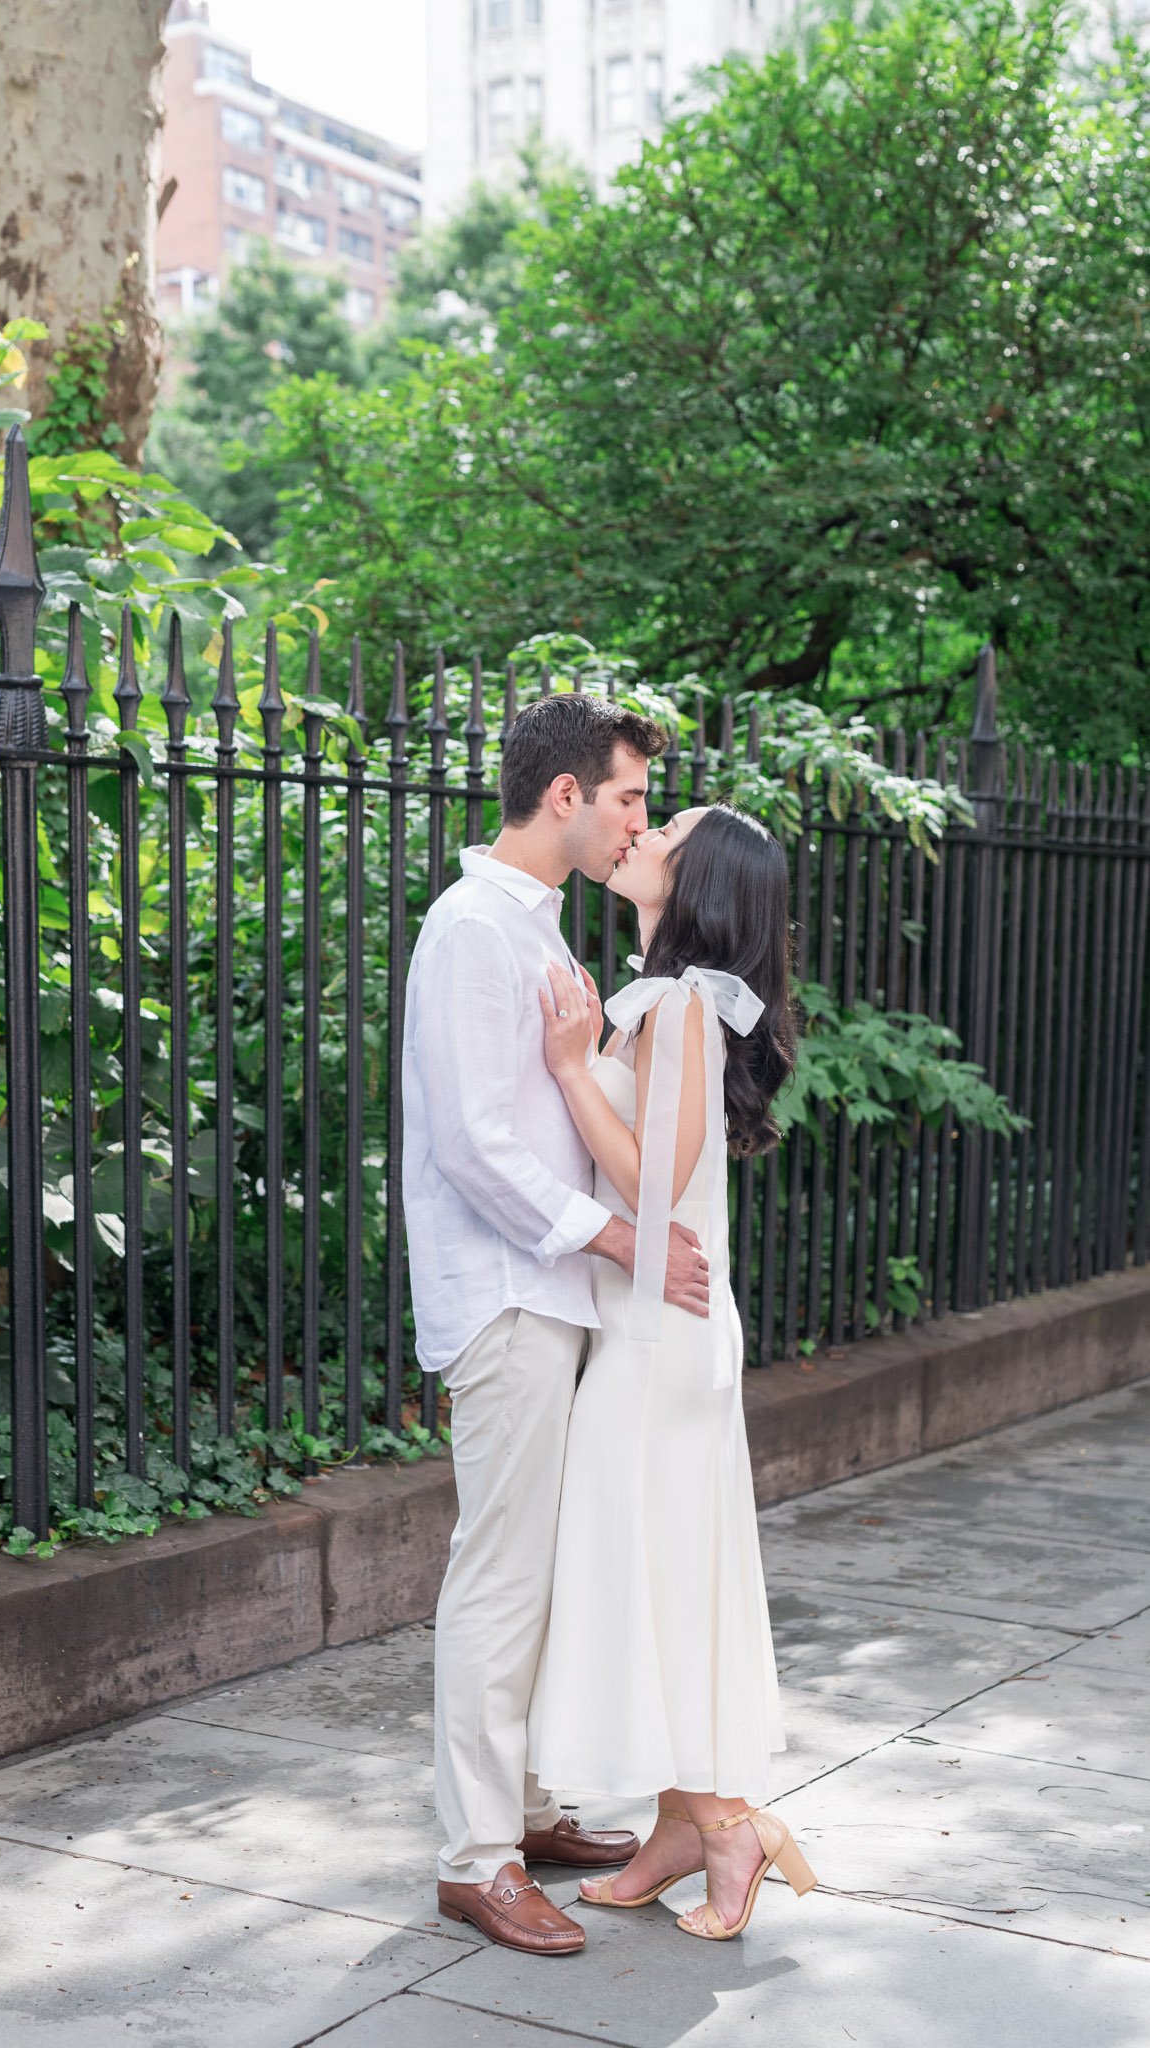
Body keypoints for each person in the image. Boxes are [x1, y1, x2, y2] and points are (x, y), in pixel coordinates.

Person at [402, 694, 715, 1958]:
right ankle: (475, 1860)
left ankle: (523, 1810)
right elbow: (474, 1142)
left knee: (539, 1569)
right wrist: (621, 1238)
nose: (640, 817)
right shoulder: (473, 927)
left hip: (556, 1294)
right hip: (508, 1295)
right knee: (502, 1571)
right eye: (631, 795)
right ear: (566, 794)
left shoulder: (534, 926)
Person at [526, 804, 819, 1941]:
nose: (639, 832)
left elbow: (655, 1179)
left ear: (697, 880)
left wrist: (566, 1065)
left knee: (642, 1579)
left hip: (658, 1342)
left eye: (667, 829)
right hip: (649, 1328)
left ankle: (727, 1823)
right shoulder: (666, 1000)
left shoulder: (687, 1003)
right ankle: (678, 1826)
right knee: (657, 1580)